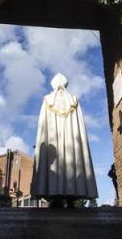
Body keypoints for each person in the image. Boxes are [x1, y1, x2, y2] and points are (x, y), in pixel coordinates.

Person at [31, 73, 98, 208]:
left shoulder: (48, 100)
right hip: (71, 143)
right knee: (72, 160)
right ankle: (71, 197)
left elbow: (43, 128)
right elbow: (78, 127)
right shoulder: (74, 100)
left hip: (53, 138)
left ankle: (54, 196)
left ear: (53, 83)